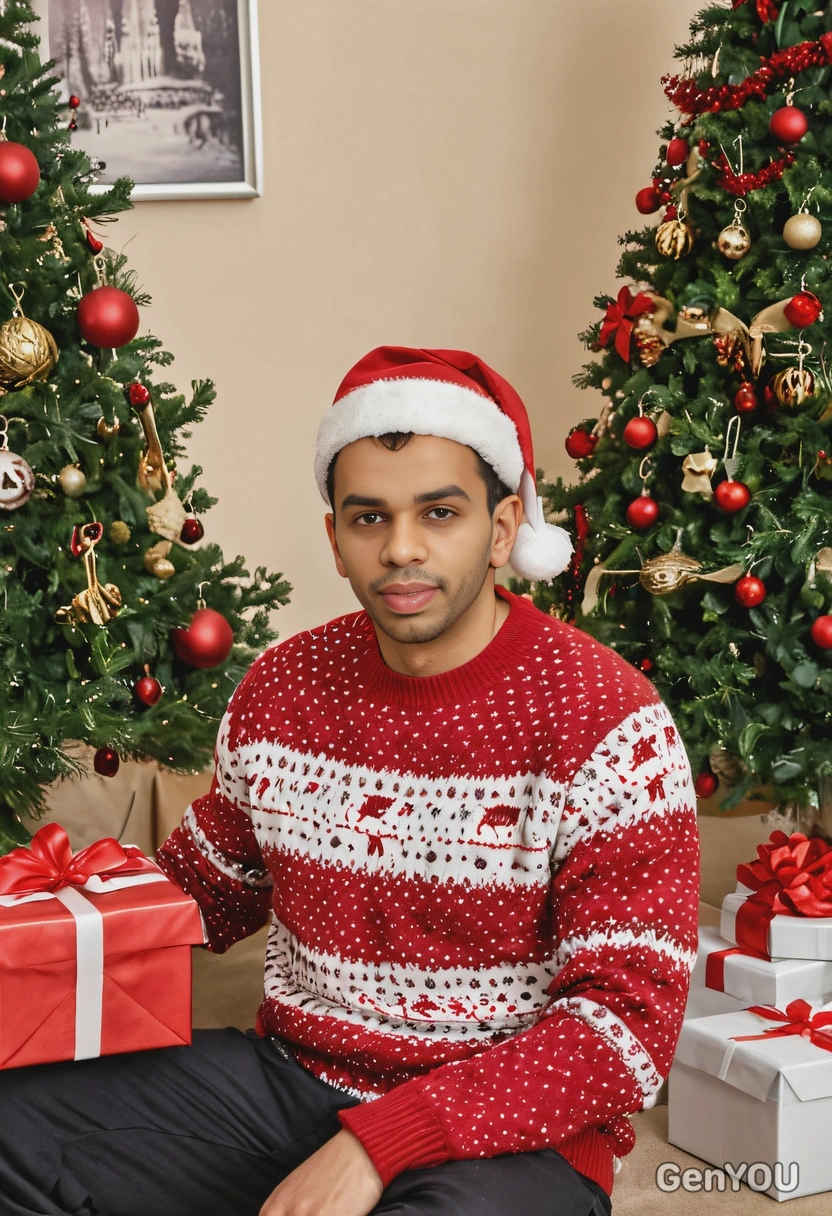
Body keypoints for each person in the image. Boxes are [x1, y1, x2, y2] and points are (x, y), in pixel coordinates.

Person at [0, 346, 699, 1216]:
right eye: (368, 519)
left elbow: (623, 1032)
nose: (401, 548)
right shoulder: (283, 687)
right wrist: (45, 924)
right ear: (335, 536)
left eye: (439, 513)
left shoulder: (608, 722)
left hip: (508, 1136)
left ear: (506, 523)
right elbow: (202, 893)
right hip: (292, 1081)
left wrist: (382, 1143)